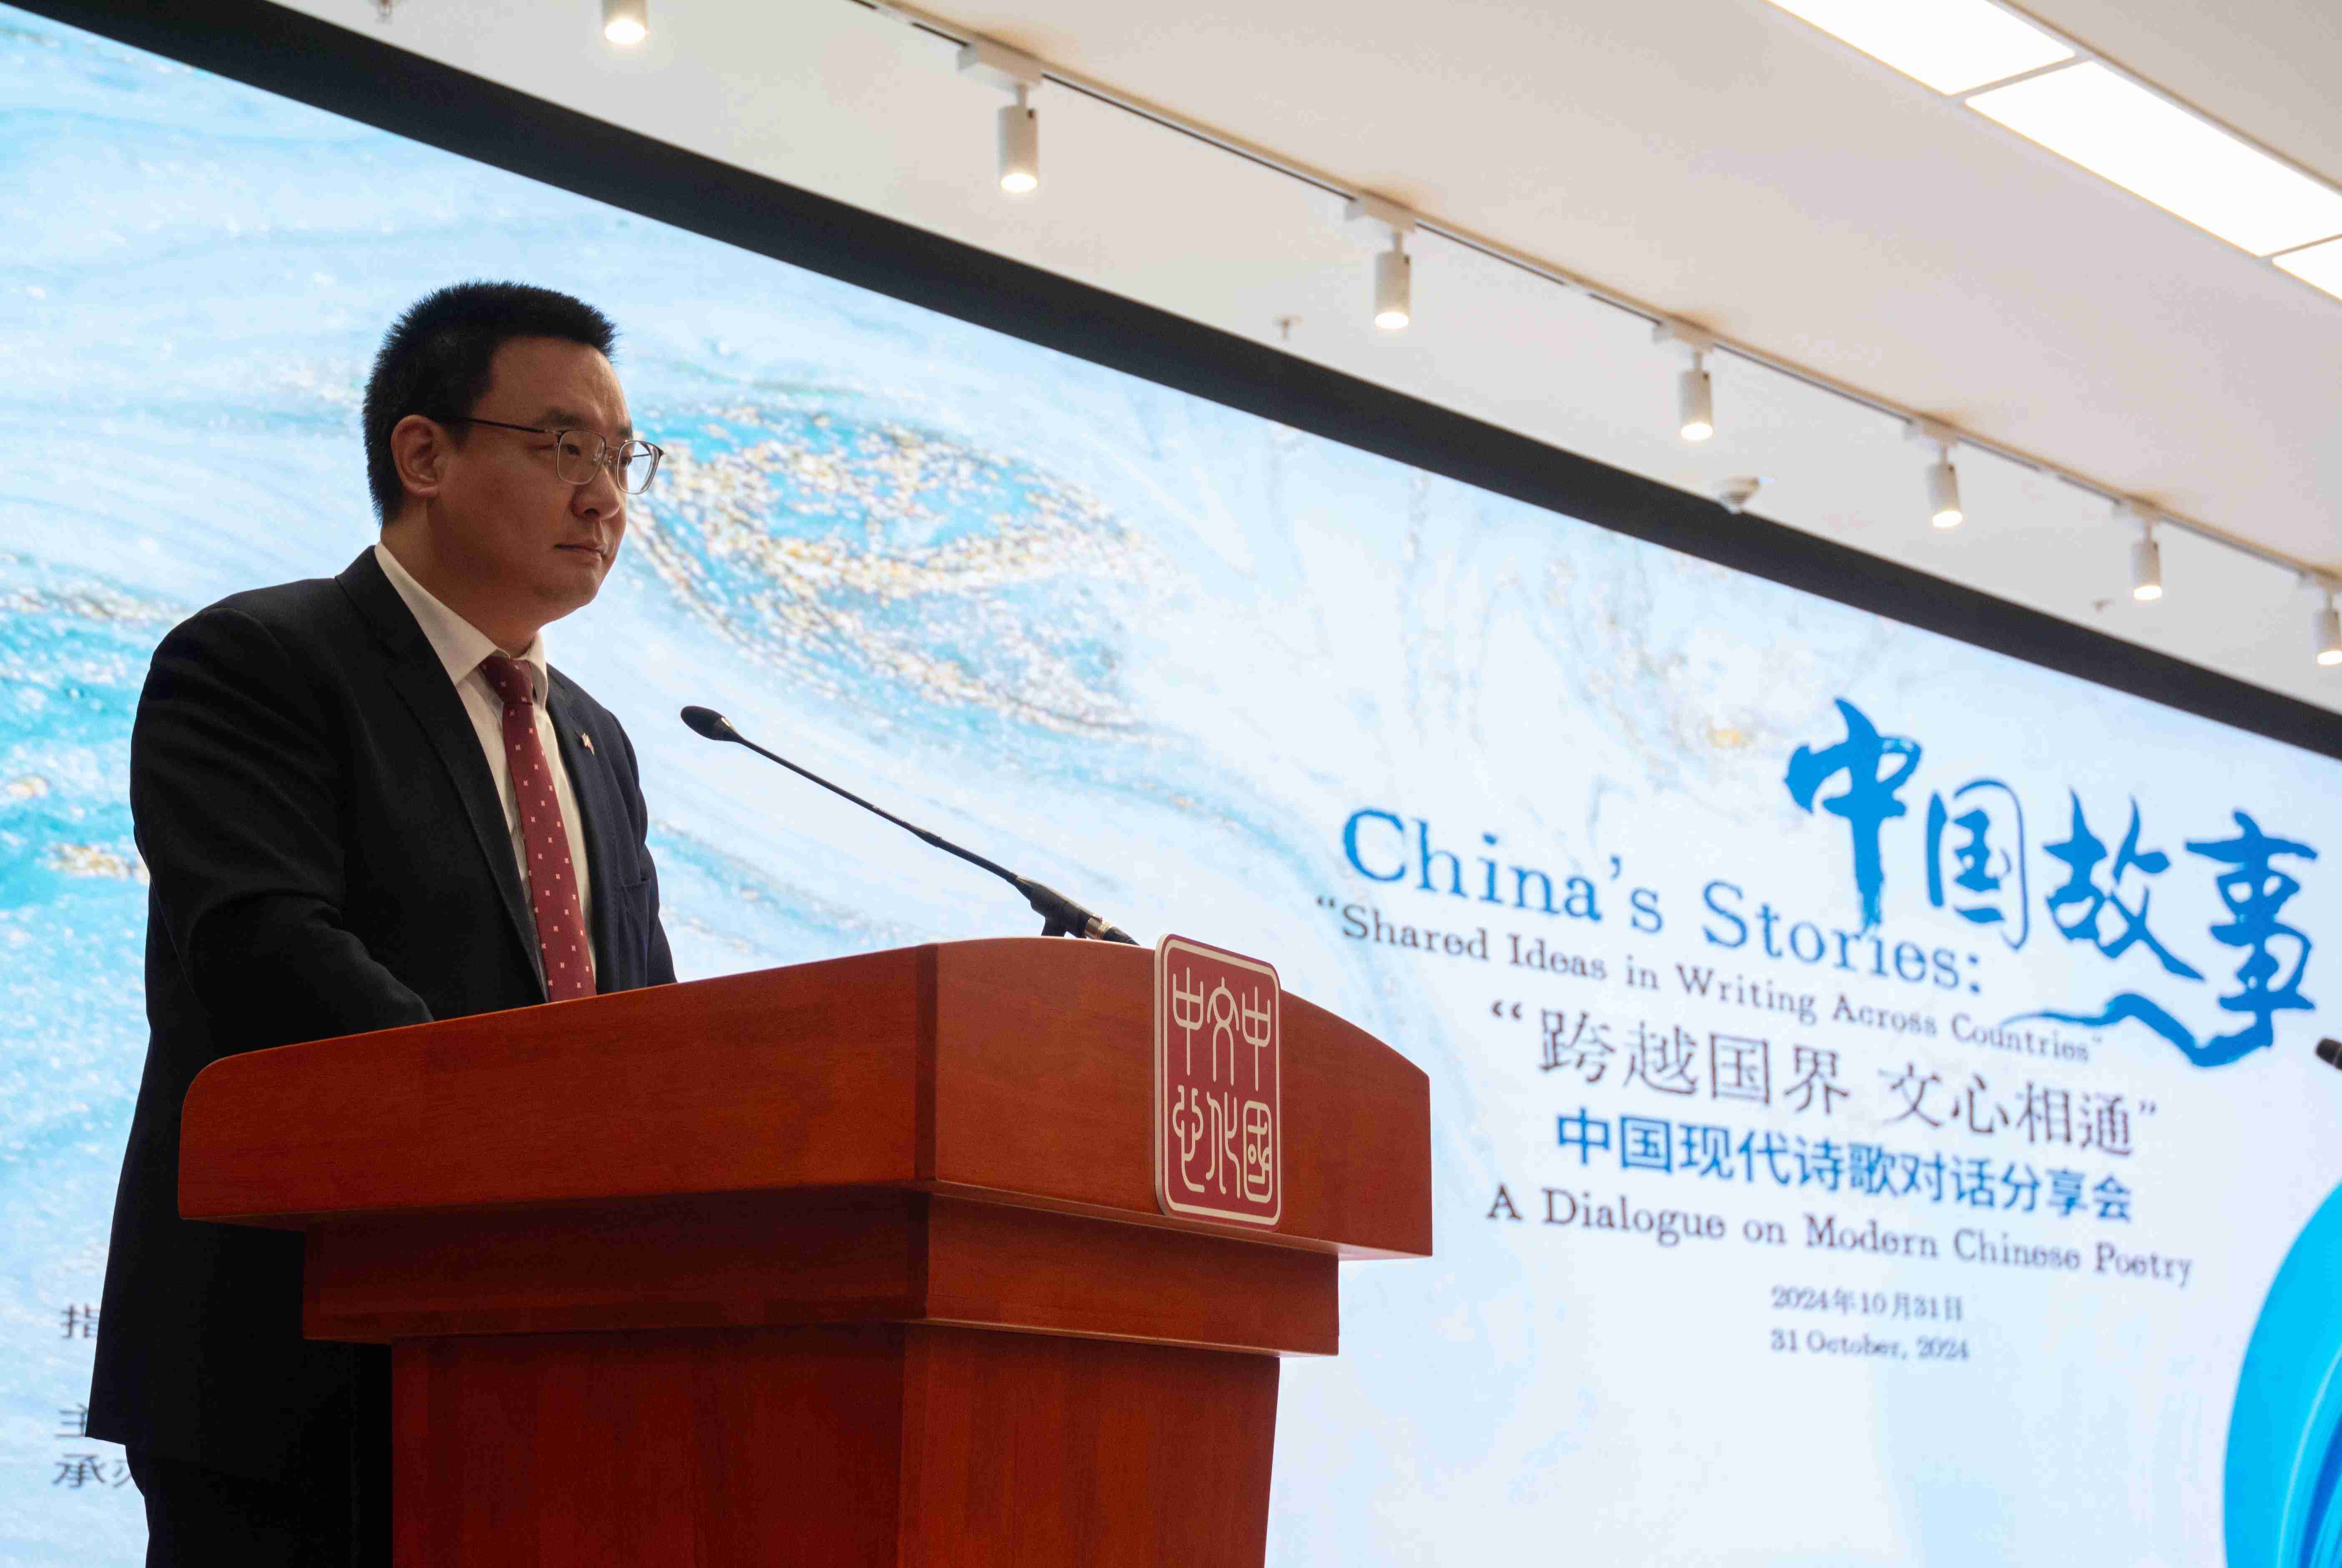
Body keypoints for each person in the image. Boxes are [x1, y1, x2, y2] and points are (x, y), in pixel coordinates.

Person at [86, 281, 677, 1566]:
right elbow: (266, 952)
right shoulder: (259, 660)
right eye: (564, 446)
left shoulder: (597, 744)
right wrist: (534, 1149)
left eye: (624, 459)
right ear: (424, 454)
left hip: (548, 1375)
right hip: (293, 1373)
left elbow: (640, 1031)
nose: (605, 498)